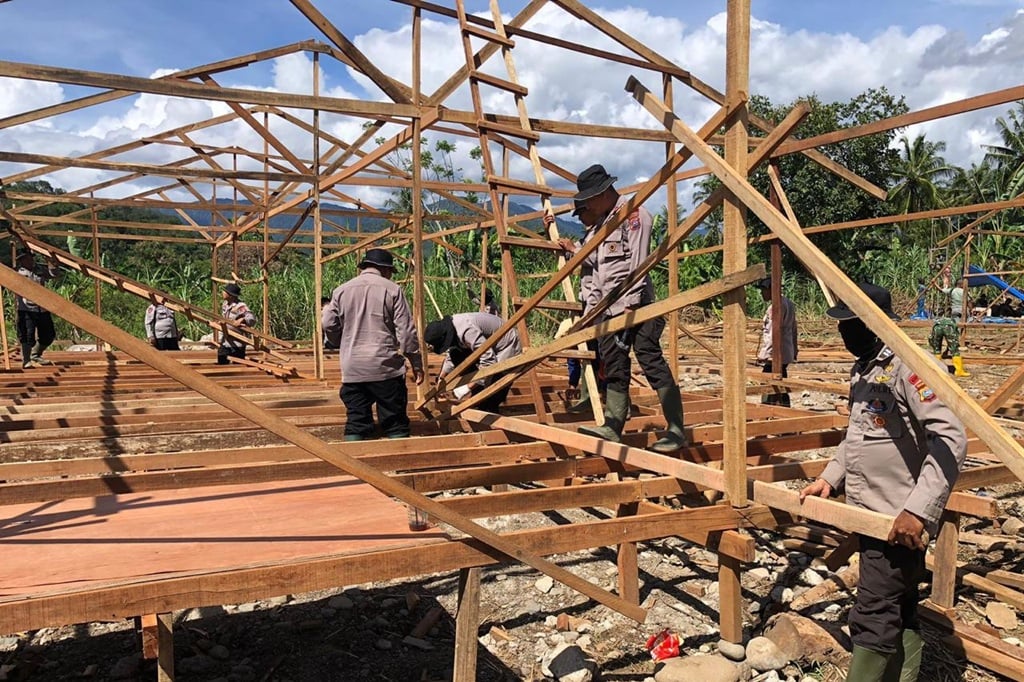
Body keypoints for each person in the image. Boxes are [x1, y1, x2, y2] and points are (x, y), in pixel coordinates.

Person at [800, 282, 967, 682]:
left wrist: (917, 510)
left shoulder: (911, 368)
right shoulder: (864, 369)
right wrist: (829, 478)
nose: (845, 334)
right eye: (842, 325)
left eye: (852, 325)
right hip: (870, 515)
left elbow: (952, 437)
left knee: (872, 613)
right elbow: (856, 436)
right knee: (901, 602)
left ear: (877, 324)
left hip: (896, 518)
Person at [555, 164, 687, 453]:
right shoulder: (603, 224)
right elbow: (598, 264)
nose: (587, 205)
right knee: (613, 364)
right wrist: (573, 252)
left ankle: (676, 429)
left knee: (650, 360)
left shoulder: (634, 215)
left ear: (603, 193)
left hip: (636, 306)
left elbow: (639, 265)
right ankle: (613, 425)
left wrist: (630, 309)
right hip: (609, 309)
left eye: (589, 199)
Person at [321, 248, 424, 441]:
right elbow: (406, 332)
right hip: (385, 367)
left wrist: (336, 341)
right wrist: (416, 364)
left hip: (353, 368)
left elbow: (327, 322)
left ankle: (356, 463)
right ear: (385, 270)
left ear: (364, 267)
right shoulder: (392, 289)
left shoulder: (341, 290)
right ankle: (401, 461)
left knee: (356, 422)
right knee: (395, 422)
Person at [424, 311, 521, 412]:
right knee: (456, 355)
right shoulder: (453, 329)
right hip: (489, 346)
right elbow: (450, 358)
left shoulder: (467, 330)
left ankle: (489, 406)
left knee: (493, 389)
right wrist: (441, 381)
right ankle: (478, 390)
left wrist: (467, 388)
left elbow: (489, 361)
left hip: (507, 345)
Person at [753, 277, 798, 407]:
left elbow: (773, 333)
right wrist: (795, 349)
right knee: (781, 380)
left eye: (763, 290)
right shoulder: (788, 303)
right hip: (786, 351)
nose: (762, 293)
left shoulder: (775, 307)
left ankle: (768, 410)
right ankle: (783, 409)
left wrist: (764, 355)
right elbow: (794, 328)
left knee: (767, 383)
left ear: (771, 290)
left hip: (775, 353)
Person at [14, 248, 59, 368]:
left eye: (31, 258)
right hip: (26, 308)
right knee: (27, 335)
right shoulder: (18, 273)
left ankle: (36, 354)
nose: (31, 260)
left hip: (41, 308)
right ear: (22, 260)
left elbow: (54, 274)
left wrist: (50, 261)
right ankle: (27, 360)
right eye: (28, 258)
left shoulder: (39, 270)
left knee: (48, 334)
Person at [217, 282, 256, 365]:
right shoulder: (225, 305)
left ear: (231, 295)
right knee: (221, 360)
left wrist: (242, 320)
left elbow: (251, 319)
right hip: (226, 340)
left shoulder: (240, 306)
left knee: (238, 365)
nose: (223, 293)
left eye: (225, 291)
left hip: (237, 343)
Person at [929, 309, 970, 377]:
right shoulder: (953, 320)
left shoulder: (938, 319)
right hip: (949, 326)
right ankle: (959, 371)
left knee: (937, 350)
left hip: (937, 326)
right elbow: (955, 336)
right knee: (955, 350)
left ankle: (936, 369)